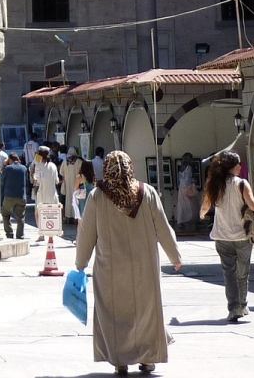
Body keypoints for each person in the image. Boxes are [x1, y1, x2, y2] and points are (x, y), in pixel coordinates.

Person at [75, 151, 183, 375]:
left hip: (110, 268)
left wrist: (81, 262)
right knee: (146, 312)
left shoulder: (97, 196)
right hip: (145, 265)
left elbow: (87, 234)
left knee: (114, 315)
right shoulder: (147, 192)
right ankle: (148, 357)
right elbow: (162, 227)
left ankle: (120, 360)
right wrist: (175, 256)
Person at [201, 150, 254, 321]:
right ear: (232, 167)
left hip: (222, 236)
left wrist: (202, 215)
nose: (240, 166)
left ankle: (233, 308)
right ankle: (242, 305)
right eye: (238, 164)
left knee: (229, 273)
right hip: (242, 235)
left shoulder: (215, 185)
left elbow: (205, 206)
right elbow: (253, 206)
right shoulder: (241, 184)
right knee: (242, 273)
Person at [1, 153, 29, 239]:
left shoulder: (8, 168)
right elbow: (26, 181)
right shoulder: (24, 168)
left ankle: (9, 233)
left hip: (9, 196)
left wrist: (4, 165)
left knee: (6, 215)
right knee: (21, 217)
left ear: (10, 160)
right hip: (21, 196)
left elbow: (2, 180)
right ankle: (20, 235)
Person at [32, 146, 60, 226]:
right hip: (53, 195)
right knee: (52, 215)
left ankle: (41, 231)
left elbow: (37, 180)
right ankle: (51, 232)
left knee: (38, 213)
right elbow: (57, 181)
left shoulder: (38, 166)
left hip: (42, 194)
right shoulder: (53, 166)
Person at [176, 154, 201, 232]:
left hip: (181, 187)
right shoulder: (189, 167)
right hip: (188, 187)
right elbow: (188, 179)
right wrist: (194, 180)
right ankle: (193, 220)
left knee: (181, 205)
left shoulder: (181, 167)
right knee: (193, 205)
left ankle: (180, 221)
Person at [61, 147, 82, 224]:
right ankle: (76, 219)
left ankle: (68, 219)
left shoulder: (65, 162)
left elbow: (62, 173)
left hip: (67, 184)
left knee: (68, 201)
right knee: (76, 201)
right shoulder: (79, 161)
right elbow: (81, 173)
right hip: (76, 184)